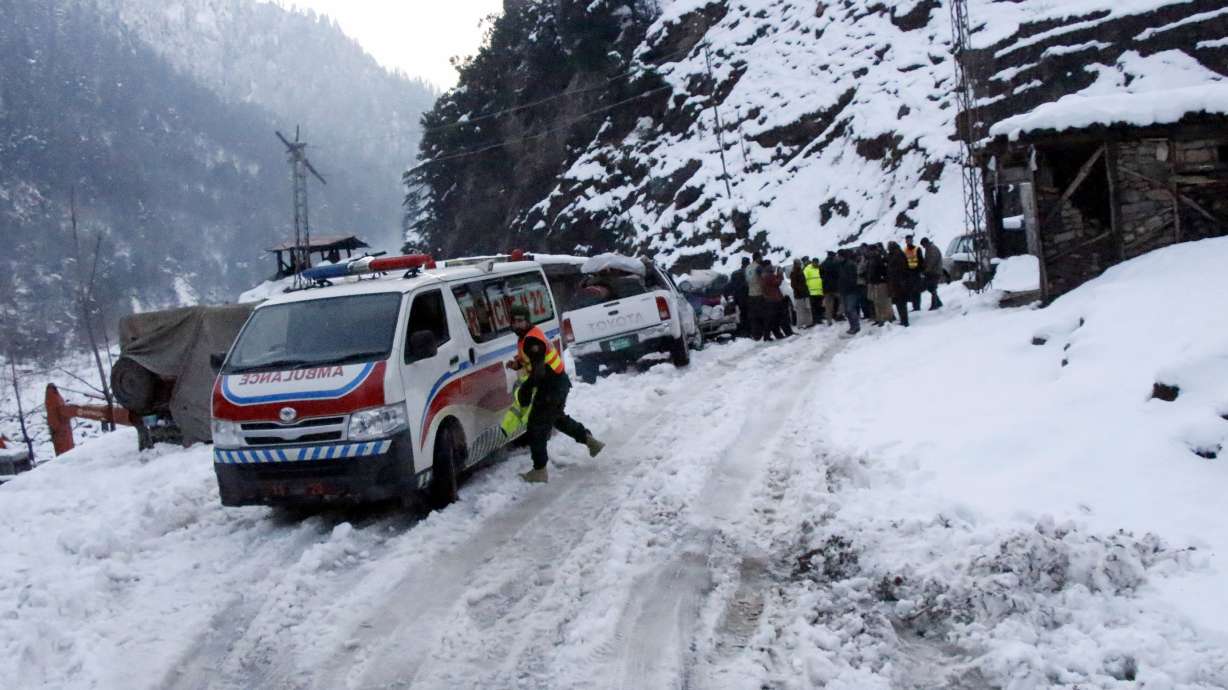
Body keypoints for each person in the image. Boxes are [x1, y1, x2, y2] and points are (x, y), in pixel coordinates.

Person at [507, 305, 604, 483]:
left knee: (536, 427)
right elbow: (533, 360)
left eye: (521, 321)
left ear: (528, 321)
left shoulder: (531, 341)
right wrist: (518, 365)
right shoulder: (528, 336)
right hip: (557, 385)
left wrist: (526, 390)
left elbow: (538, 371)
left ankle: (539, 470)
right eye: (515, 321)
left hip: (550, 388)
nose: (518, 324)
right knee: (557, 419)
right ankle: (590, 441)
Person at [760, 259, 791, 339]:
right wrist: (780, 275)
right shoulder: (768, 275)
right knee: (781, 317)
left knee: (773, 319)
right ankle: (787, 333)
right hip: (774, 299)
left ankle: (775, 335)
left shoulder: (765, 275)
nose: (772, 266)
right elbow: (777, 283)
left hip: (770, 299)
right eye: (770, 264)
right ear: (767, 266)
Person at [835, 249, 861, 335]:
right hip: (843, 290)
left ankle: (856, 326)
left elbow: (853, 278)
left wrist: (850, 286)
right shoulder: (840, 265)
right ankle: (852, 326)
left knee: (850, 309)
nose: (837, 257)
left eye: (838, 256)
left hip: (851, 291)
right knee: (846, 310)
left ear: (842, 256)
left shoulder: (850, 265)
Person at [867, 244, 894, 326]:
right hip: (875, 282)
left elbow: (884, 269)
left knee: (884, 302)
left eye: (871, 251)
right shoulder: (873, 259)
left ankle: (887, 318)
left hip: (881, 282)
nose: (870, 252)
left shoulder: (880, 258)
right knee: (877, 302)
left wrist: (882, 278)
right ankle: (879, 318)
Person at [886, 241, 911, 327]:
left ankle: (904, 321)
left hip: (899, 282)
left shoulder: (898, 255)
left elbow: (901, 269)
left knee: (901, 302)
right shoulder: (895, 254)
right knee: (899, 302)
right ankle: (903, 320)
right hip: (897, 282)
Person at [726, 257, 750, 337]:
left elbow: (730, 287)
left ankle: (744, 331)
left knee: (743, 314)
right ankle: (751, 330)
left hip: (739, 298)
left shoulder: (734, 274)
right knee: (750, 313)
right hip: (748, 296)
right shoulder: (748, 272)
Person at [745, 252, 765, 340]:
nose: (762, 258)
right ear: (757, 258)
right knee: (762, 314)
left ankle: (756, 334)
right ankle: (763, 333)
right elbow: (764, 278)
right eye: (761, 257)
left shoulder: (748, 268)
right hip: (759, 293)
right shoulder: (758, 267)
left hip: (751, 294)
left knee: (754, 316)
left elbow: (746, 281)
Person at [920, 237, 944, 310]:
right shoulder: (929, 249)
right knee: (930, 287)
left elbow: (931, 262)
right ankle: (938, 302)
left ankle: (935, 305)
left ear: (926, 243)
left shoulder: (932, 249)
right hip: (932, 272)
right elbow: (927, 261)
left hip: (935, 272)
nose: (923, 247)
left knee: (932, 287)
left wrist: (926, 271)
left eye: (923, 245)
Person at [789, 259, 813, 328]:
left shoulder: (801, 271)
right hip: (799, 295)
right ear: (795, 264)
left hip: (805, 293)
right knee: (800, 311)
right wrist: (801, 290)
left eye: (800, 263)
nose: (800, 264)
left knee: (808, 309)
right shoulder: (793, 273)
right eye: (799, 263)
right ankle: (800, 325)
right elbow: (793, 285)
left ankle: (809, 322)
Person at [820, 251, 842, 324]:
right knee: (842, 301)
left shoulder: (822, 264)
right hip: (835, 287)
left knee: (828, 305)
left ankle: (829, 320)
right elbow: (839, 274)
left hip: (826, 288)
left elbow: (821, 276)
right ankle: (839, 314)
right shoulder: (835, 264)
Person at [903, 235, 923, 312]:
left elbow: (921, 261)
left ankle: (917, 306)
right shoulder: (904, 250)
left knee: (916, 290)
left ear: (912, 240)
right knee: (911, 290)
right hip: (909, 273)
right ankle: (914, 306)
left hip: (916, 272)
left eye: (910, 240)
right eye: (907, 240)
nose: (908, 241)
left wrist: (919, 271)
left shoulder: (917, 249)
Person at [804, 257, 826, 327]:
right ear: (812, 262)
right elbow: (804, 279)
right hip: (811, 292)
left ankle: (819, 319)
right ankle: (815, 320)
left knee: (820, 306)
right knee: (814, 307)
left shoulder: (819, 268)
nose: (816, 264)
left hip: (820, 291)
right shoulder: (807, 269)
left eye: (817, 262)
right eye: (815, 262)